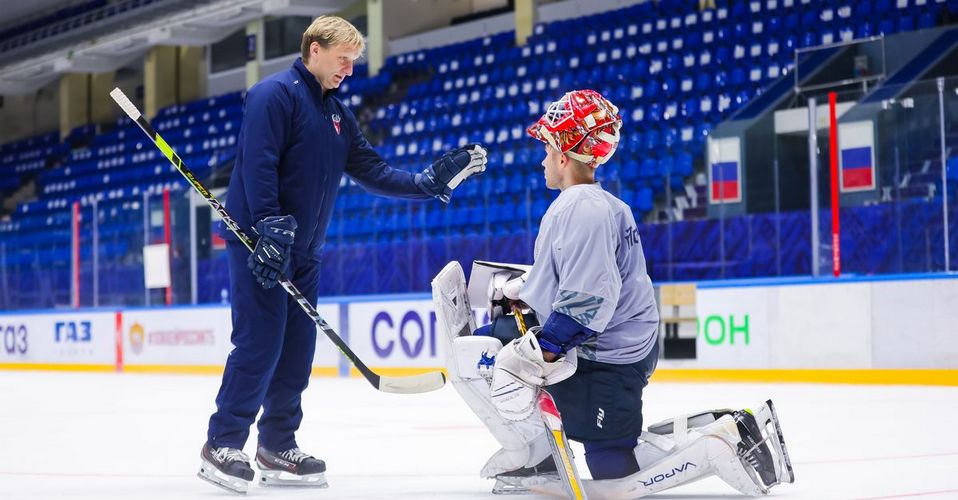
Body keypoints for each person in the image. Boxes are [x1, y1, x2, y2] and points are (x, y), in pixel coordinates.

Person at [432, 89, 793, 497]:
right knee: (496, 338)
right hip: (613, 348)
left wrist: (535, 356)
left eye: (548, 149)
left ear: (565, 154)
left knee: (612, 472)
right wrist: (529, 291)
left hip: (606, 358)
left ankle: (716, 445)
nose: (542, 160)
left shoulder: (582, 209)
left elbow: (587, 305)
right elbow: (585, 279)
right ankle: (537, 454)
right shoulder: (592, 203)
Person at [198, 15, 487, 494]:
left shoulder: (336, 114)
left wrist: (423, 184)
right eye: (342, 59)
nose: (349, 70)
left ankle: (276, 444)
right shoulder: (274, 95)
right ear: (315, 49)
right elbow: (258, 163)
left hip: (304, 252)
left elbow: (369, 167)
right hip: (261, 246)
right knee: (259, 343)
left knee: (296, 351)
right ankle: (223, 442)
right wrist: (268, 225)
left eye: (353, 61)